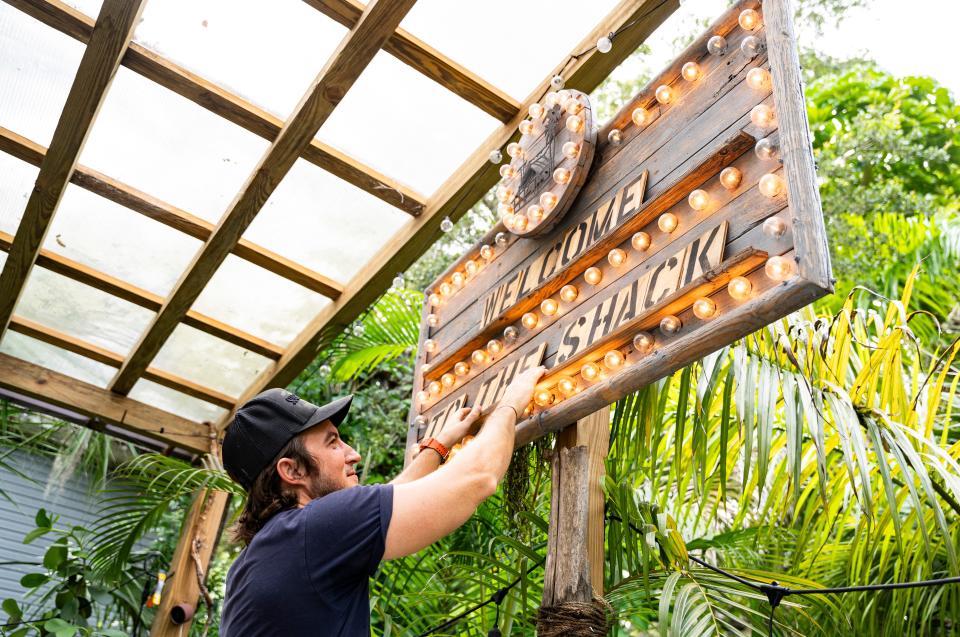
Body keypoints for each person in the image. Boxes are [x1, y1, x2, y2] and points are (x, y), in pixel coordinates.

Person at [219, 365, 545, 636]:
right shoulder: (315, 529)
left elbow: (393, 497)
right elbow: (478, 478)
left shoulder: (259, 558)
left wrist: (440, 444)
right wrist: (509, 405)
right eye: (333, 444)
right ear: (292, 470)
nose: (354, 454)